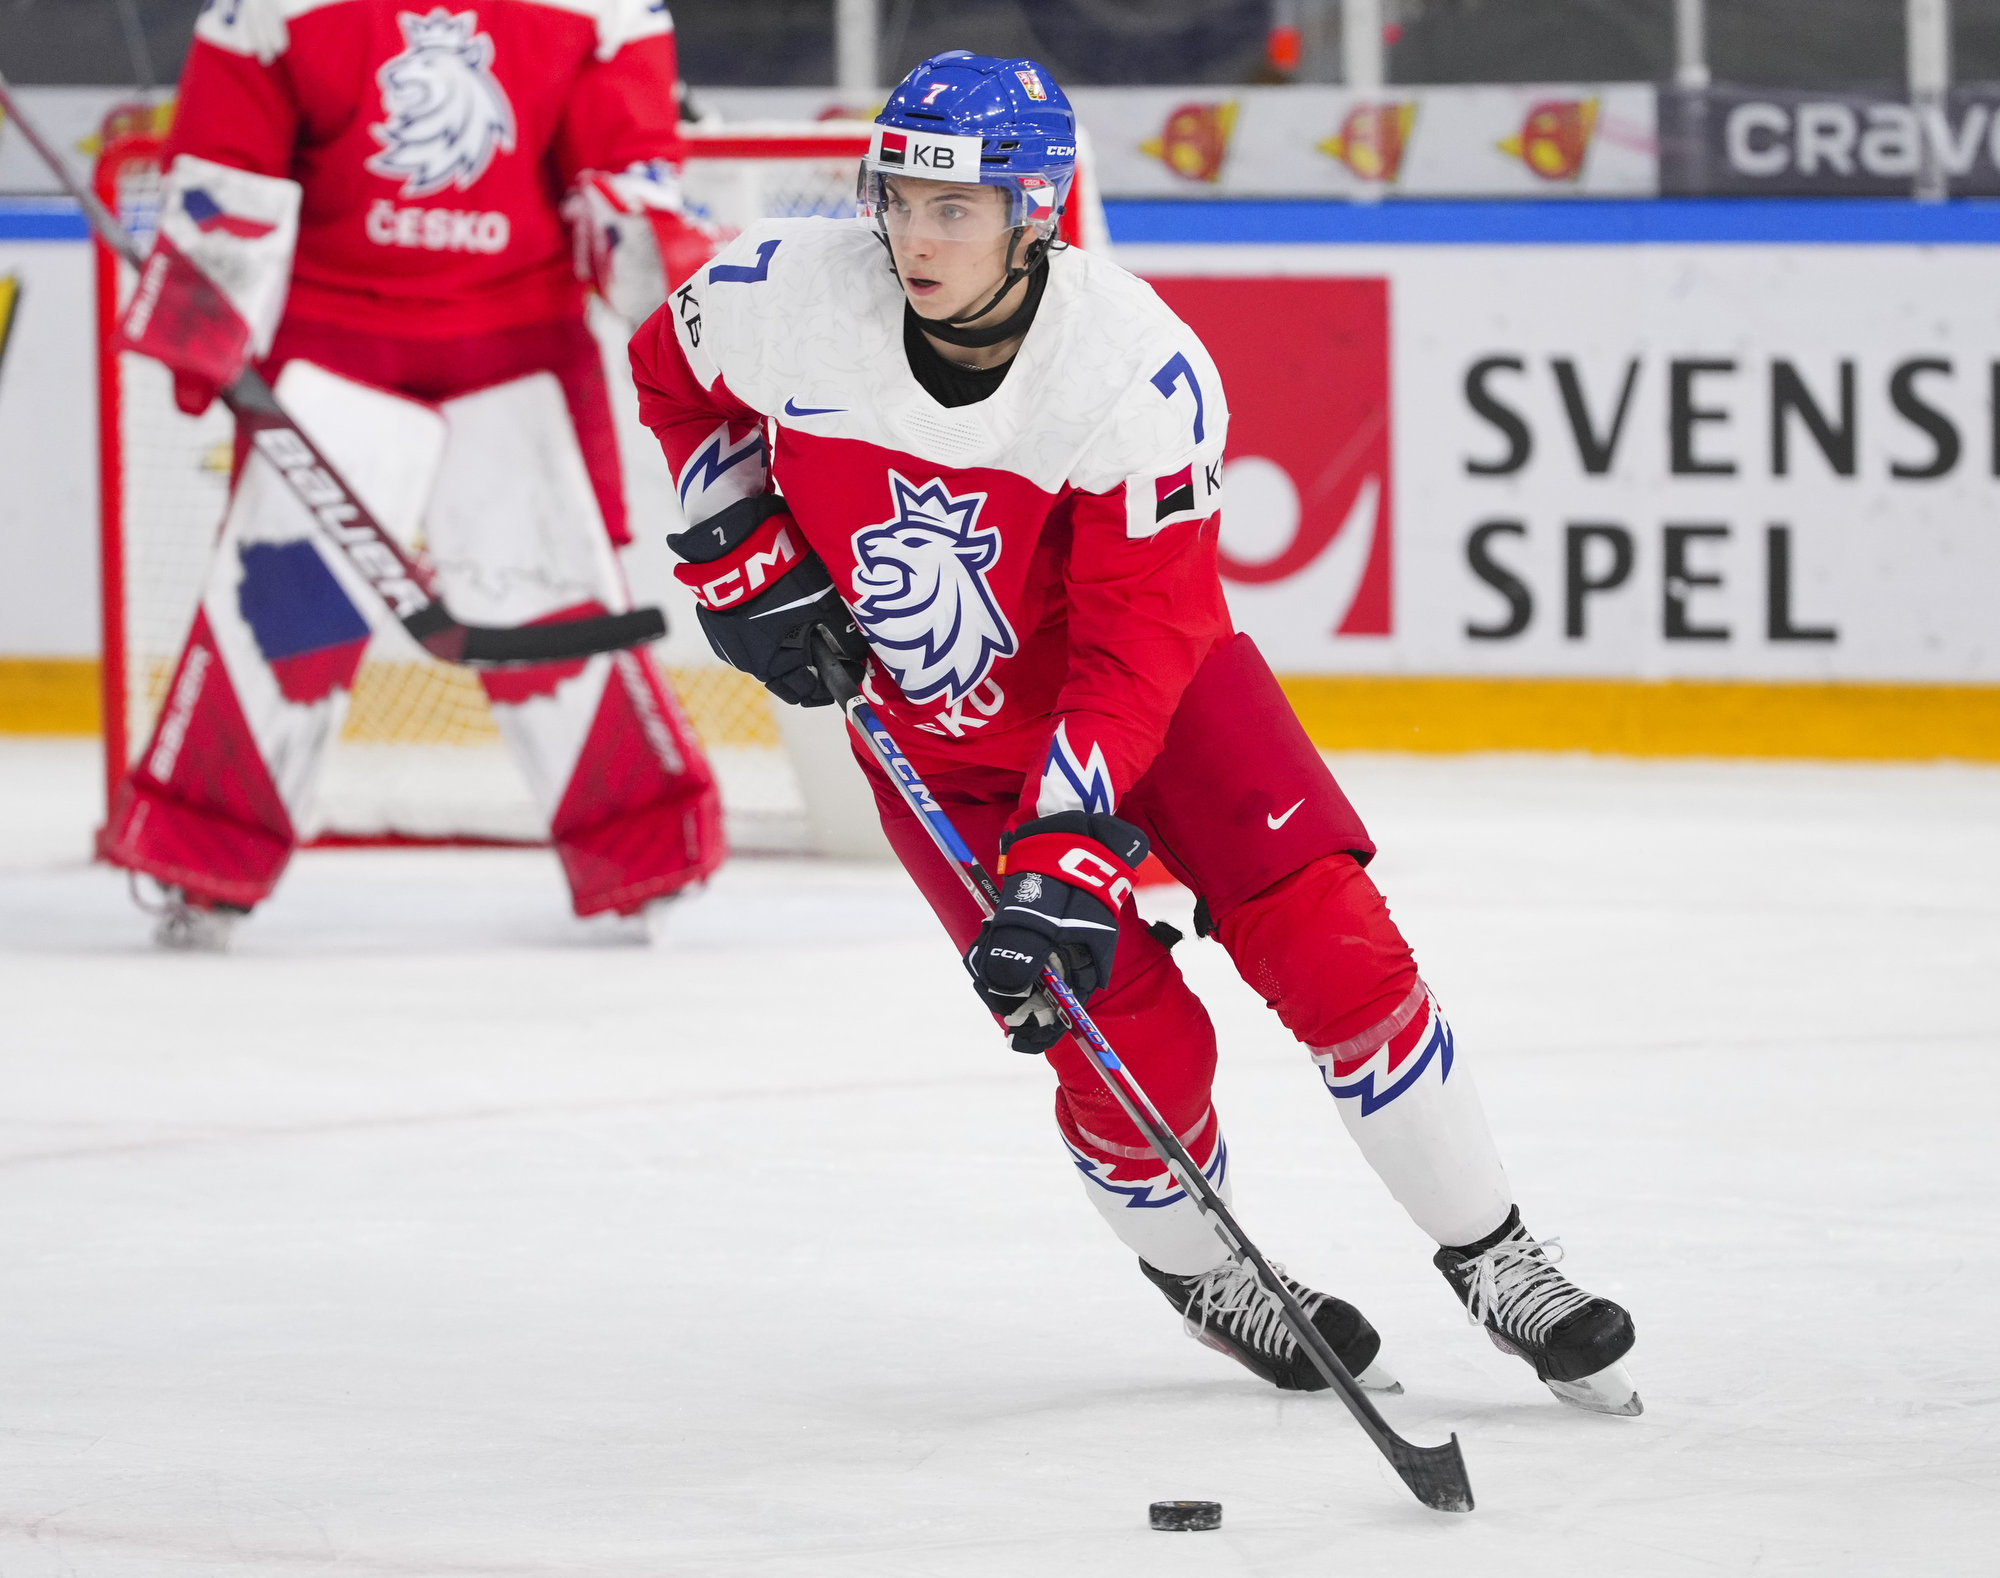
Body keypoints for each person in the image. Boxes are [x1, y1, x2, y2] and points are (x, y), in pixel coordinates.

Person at [630, 51, 1640, 1414]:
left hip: (1164, 701)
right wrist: (736, 552)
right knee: (1111, 1036)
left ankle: (1500, 1255)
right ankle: (1206, 1272)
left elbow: (1140, 639)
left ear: (1032, 211)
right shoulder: (785, 297)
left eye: (956, 210)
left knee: (1333, 942)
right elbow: (671, 370)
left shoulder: (1133, 370)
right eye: (901, 201)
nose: (915, 239)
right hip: (941, 734)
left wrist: (1072, 843)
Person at [103, 0, 725, 949]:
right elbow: (227, 169)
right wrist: (204, 314)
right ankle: (201, 863)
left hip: (517, 353)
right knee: (283, 609)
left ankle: (646, 855)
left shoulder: (601, 12)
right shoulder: (270, 11)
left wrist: (681, 304)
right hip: (331, 354)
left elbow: (626, 187)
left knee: (551, 610)